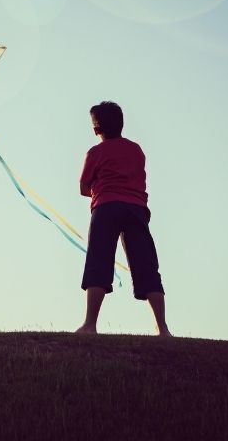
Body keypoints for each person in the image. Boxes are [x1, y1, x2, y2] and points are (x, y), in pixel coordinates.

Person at [76, 101, 171, 337]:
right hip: (136, 209)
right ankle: (163, 328)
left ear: (96, 129)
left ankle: (90, 325)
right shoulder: (136, 150)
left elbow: (83, 187)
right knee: (146, 265)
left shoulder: (95, 152)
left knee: (99, 261)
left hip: (106, 207)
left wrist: (99, 189)